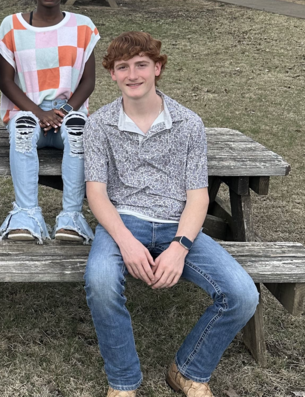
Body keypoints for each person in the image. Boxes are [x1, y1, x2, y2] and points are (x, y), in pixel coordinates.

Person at [82, 32, 259, 397]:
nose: (133, 75)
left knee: (242, 294)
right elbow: (96, 193)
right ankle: (123, 382)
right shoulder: (99, 124)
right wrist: (126, 243)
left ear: (157, 68)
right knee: (100, 281)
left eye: (141, 65)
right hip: (122, 223)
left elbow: (198, 197)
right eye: (123, 67)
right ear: (112, 74)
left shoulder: (188, 124)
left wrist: (179, 247)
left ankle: (188, 370)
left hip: (176, 225)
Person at [0, 0, 100, 243]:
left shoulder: (83, 27)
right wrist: (39, 113)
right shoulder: (11, 26)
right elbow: (6, 82)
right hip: (27, 113)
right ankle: (26, 214)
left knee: (78, 132)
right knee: (23, 130)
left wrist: (63, 111)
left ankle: (71, 218)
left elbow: (88, 82)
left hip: (68, 113)